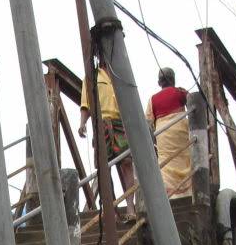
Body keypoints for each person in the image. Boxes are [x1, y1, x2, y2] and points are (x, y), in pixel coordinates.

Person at [78, 64, 137, 215]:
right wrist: (82, 123)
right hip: (101, 123)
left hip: (120, 123)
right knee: (104, 167)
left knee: (127, 163)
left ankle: (130, 206)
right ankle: (111, 208)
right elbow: (85, 103)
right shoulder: (91, 76)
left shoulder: (119, 73)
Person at [145, 67, 193, 199]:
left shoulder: (152, 99)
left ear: (159, 82)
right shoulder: (181, 92)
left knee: (166, 165)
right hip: (181, 130)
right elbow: (194, 106)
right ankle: (187, 193)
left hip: (163, 134)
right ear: (173, 79)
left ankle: (171, 197)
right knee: (185, 160)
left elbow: (148, 123)